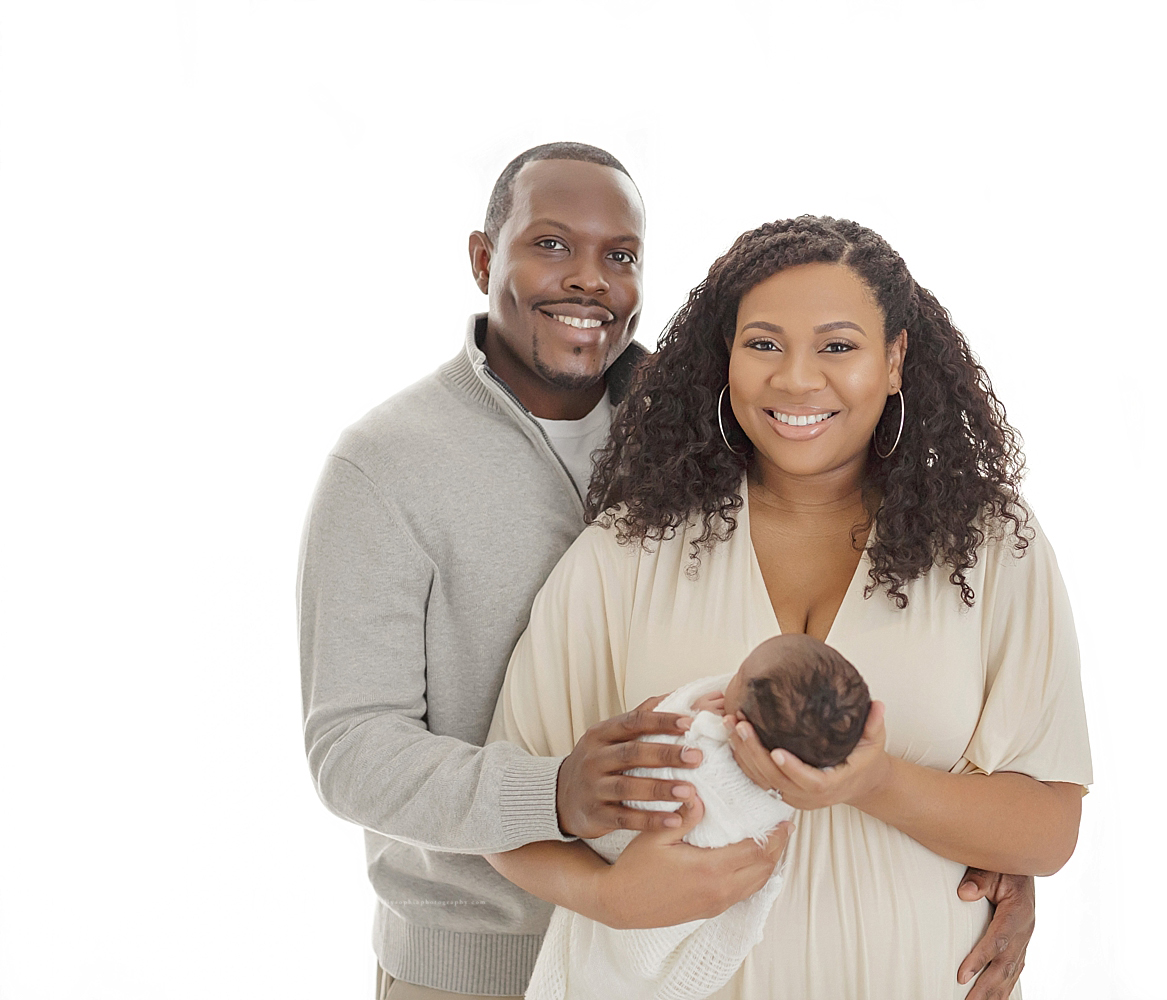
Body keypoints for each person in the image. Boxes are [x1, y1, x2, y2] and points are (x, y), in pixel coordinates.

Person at [484, 216, 1093, 999]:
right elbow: (505, 806)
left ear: (896, 358)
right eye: (764, 344)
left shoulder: (990, 547)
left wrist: (873, 783)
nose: (798, 379)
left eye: (838, 346)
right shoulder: (625, 553)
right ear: (725, 361)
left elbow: (1050, 827)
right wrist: (606, 897)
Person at [298, 142, 793, 1000]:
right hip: (470, 975)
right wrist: (555, 794)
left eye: (621, 255)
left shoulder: (709, 440)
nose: (591, 279)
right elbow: (351, 751)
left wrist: (988, 865)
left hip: (683, 966)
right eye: (553, 244)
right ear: (485, 259)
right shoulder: (385, 465)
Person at [518, 634, 869, 1000]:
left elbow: (665, 753)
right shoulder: (791, 782)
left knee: (608, 967)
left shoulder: (701, 749)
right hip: (638, 883)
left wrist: (692, 715)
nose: (728, 679)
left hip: (663, 871)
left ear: (743, 722)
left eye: (739, 676)